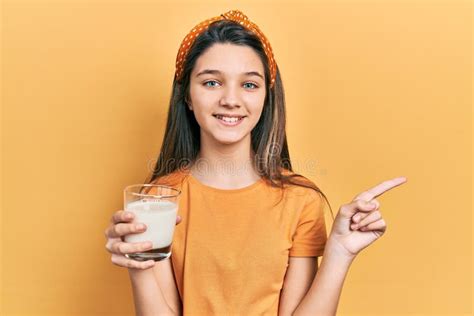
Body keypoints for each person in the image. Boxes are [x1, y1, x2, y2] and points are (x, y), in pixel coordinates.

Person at [104, 9, 407, 316]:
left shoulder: (301, 200)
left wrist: (339, 253)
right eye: (211, 83)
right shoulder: (159, 200)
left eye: (249, 84)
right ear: (187, 97)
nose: (231, 99)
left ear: (266, 97)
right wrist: (138, 266)